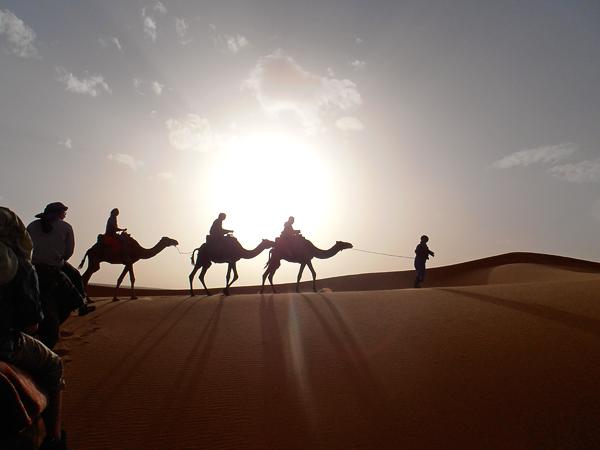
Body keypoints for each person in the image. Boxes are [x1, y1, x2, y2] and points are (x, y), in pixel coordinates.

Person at [0, 207, 70, 450]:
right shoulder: (20, 265)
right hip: (5, 345)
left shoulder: (36, 225)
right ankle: (54, 439)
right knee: (53, 364)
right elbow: (31, 322)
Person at [27, 202, 94, 348]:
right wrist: (58, 259)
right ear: (59, 213)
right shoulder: (66, 227)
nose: (65, 214)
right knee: (76, 274)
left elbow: (26, 246)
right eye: (64, 212)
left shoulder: (32, 225)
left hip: (33, 267)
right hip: (55, 266)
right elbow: (69, 251)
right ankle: (82, 305)